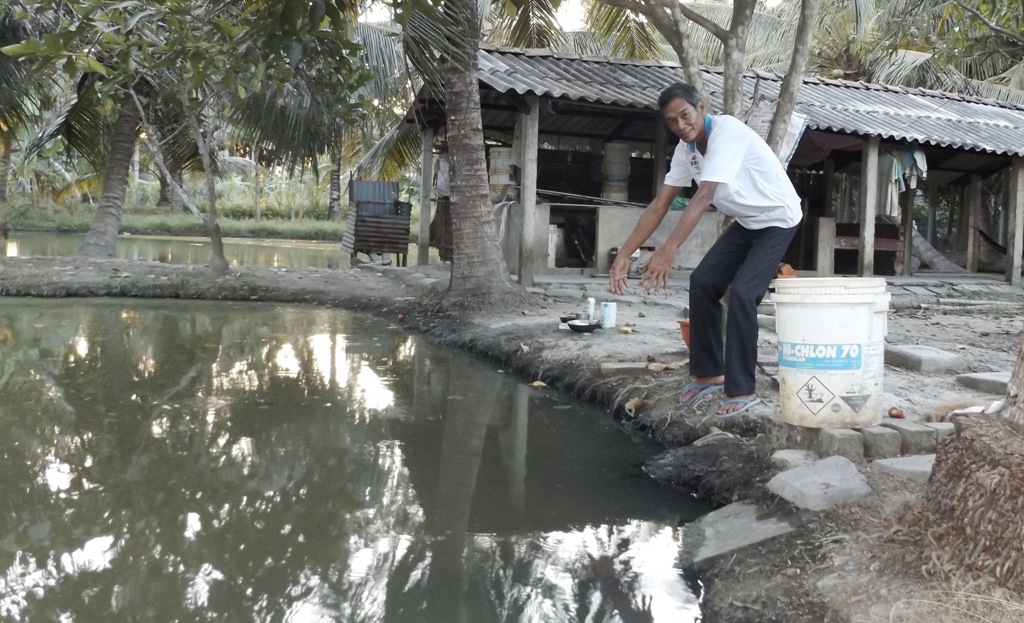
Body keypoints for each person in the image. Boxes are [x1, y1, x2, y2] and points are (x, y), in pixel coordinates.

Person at [608, 83, 802, 417]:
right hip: (748, 221)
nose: (681, 125)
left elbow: (705, 196)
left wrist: (668, 250)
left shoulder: (727, 134)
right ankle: (709, 372)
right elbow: (659, 205)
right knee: (703, 283)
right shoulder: (687, 151)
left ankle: (742, 390)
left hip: (779, 218)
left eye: (685, 115)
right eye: (672, 121)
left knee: (742, 293)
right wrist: (624, 254)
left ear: (701, 107)